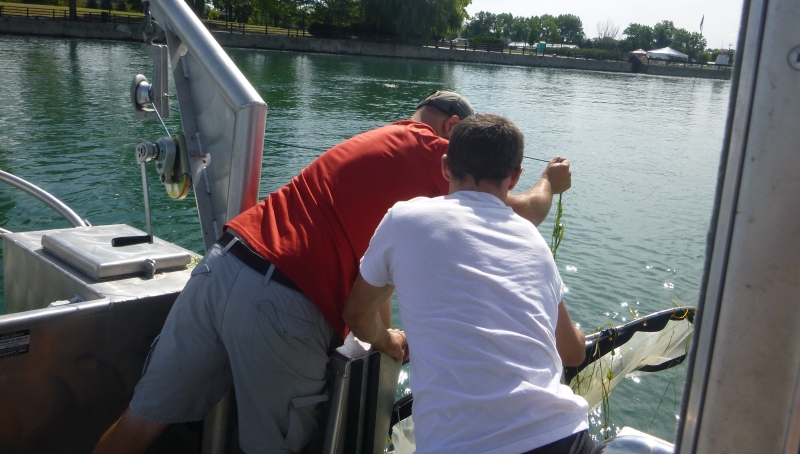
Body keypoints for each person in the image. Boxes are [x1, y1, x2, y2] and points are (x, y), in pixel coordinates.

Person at [94, 93, 572, 454]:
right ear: (451, 130)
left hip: (225, 265)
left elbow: (373, 270)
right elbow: (520, 211)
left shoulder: (377, 146)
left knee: (141, 421)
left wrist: (383, 333)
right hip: (283, 301)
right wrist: (550, 180)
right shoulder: (432, 149)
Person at [343, 113, 590, 454]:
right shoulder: (531, 239)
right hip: (564, 437)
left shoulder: (405, 219)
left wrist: (387, 339)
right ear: (515, 177)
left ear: (446, 166)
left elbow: (356, 313)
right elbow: (573, 352)